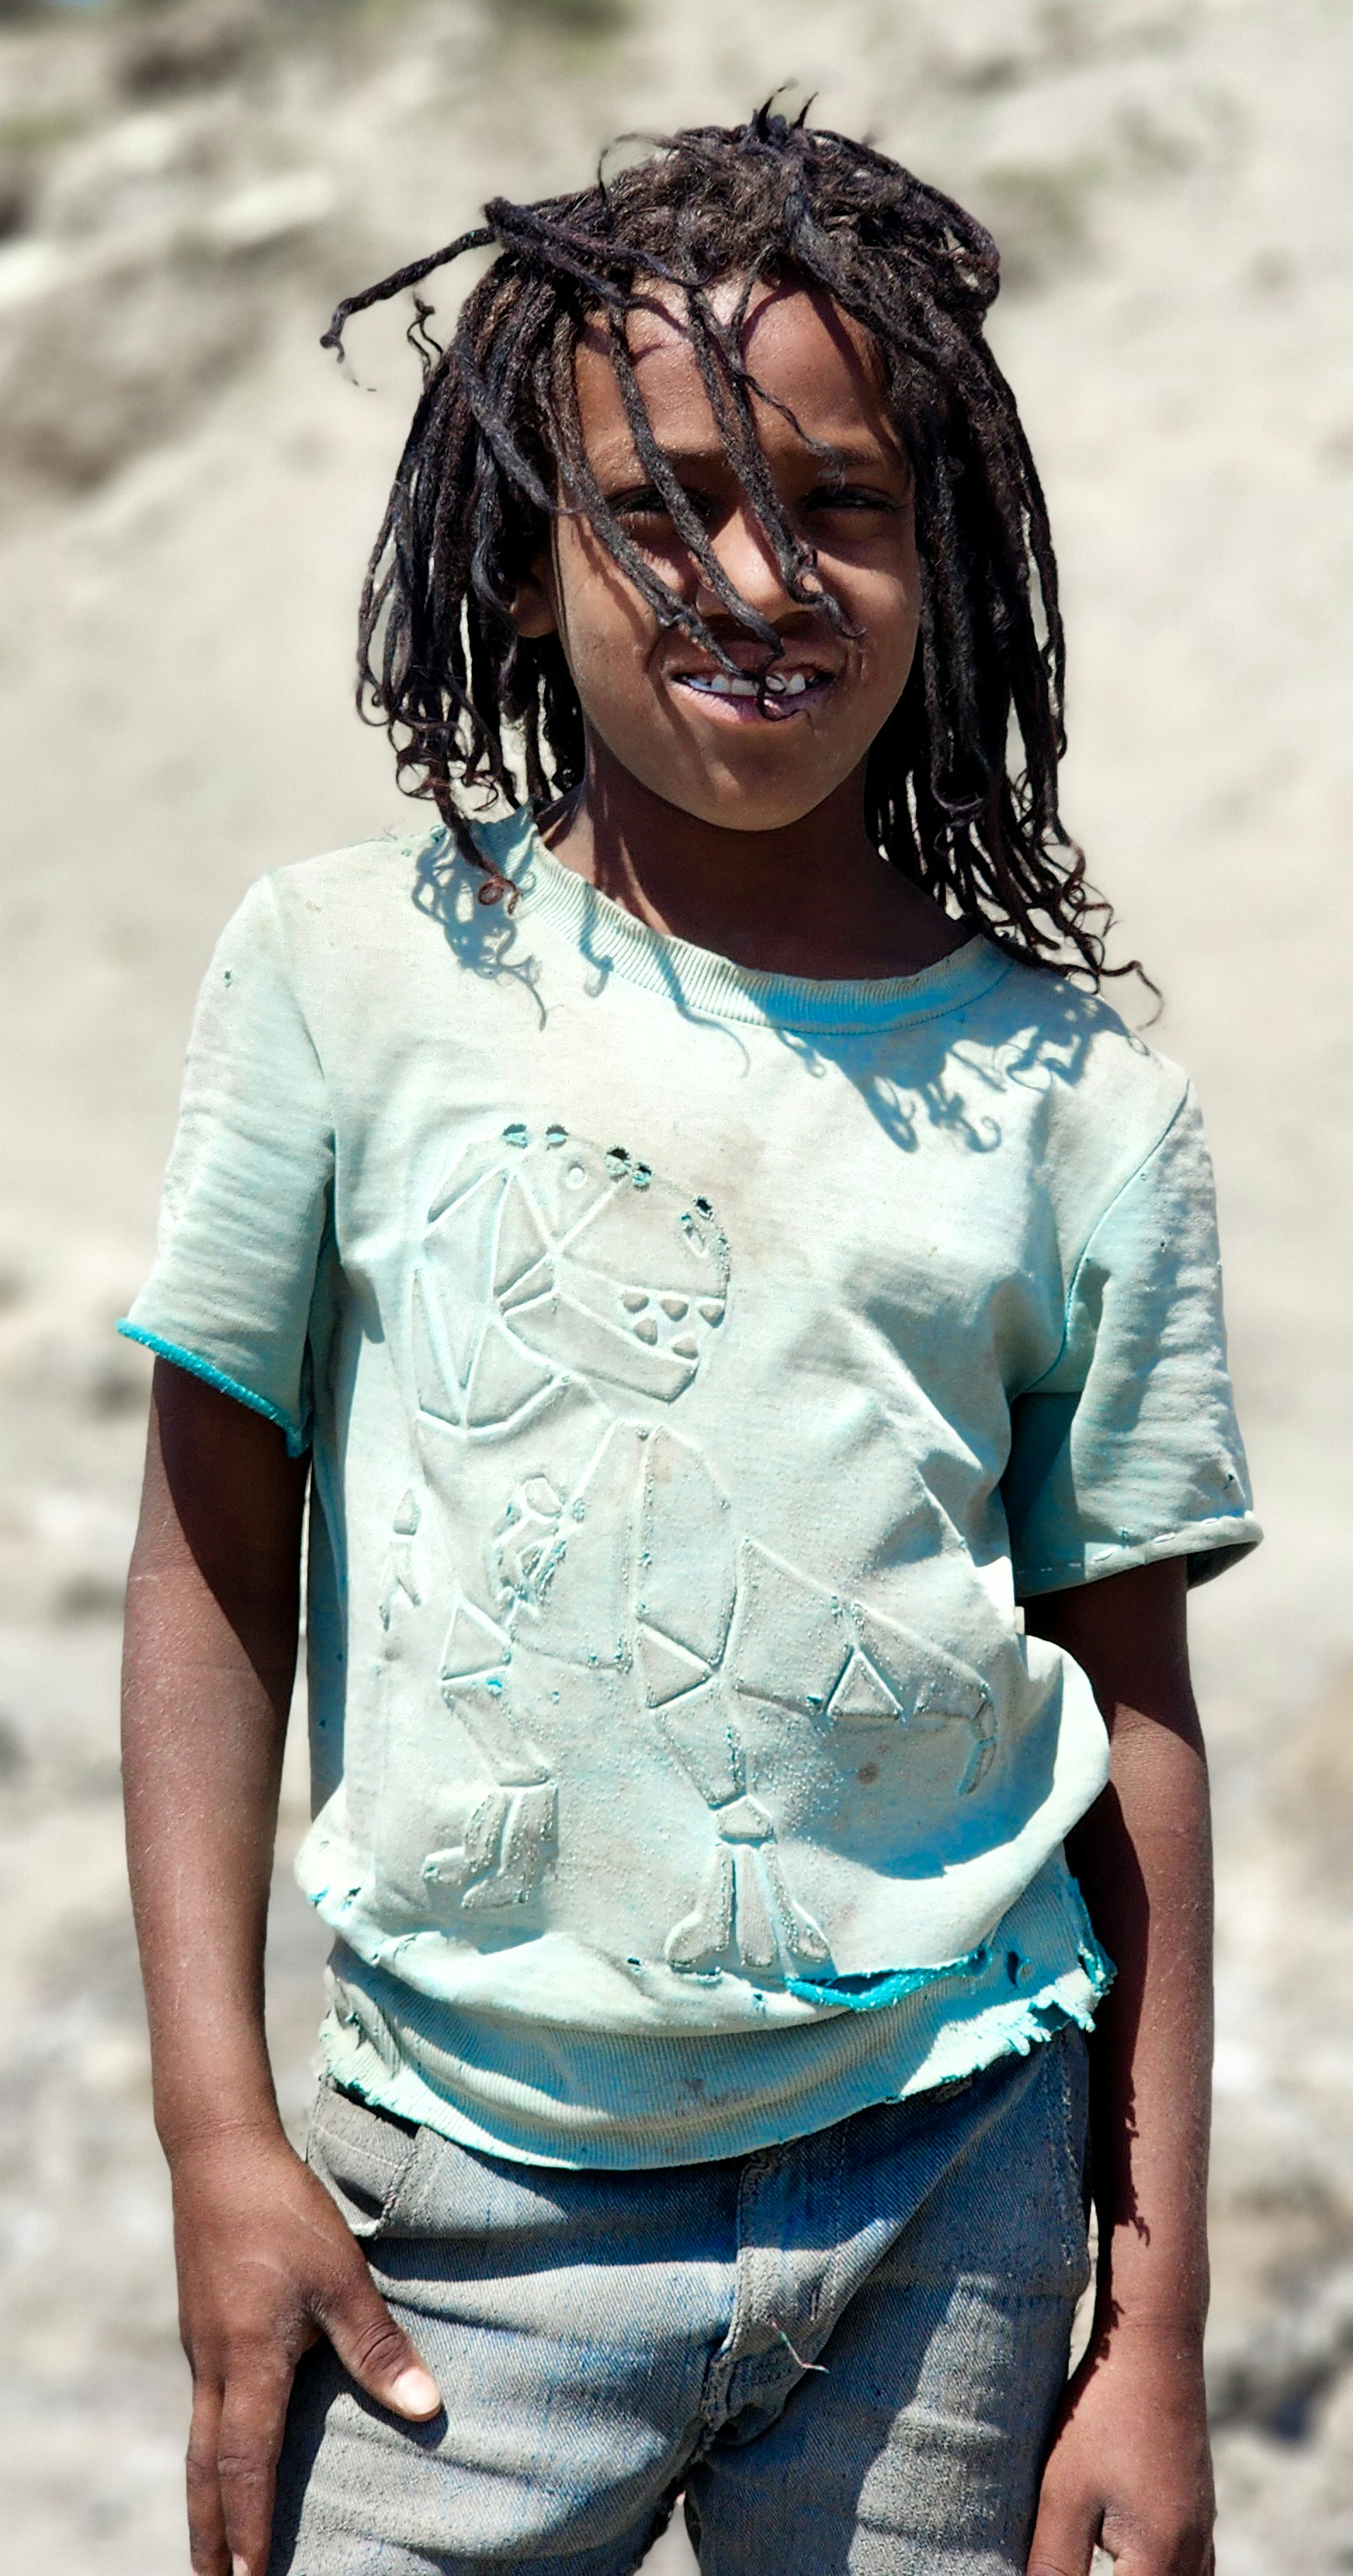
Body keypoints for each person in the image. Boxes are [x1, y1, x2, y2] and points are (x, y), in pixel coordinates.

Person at [120, 107, 1259, 2576]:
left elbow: (1132, 1707)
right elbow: (211, 1572)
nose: (756, 575)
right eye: (662, 505)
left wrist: (1148, 2330)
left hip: (953, 2185)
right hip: (455, 2219)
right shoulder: (349, 980)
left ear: (943, 568)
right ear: (524, 565)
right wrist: (223, 2139)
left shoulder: (1074, 1106)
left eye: (842, 503)